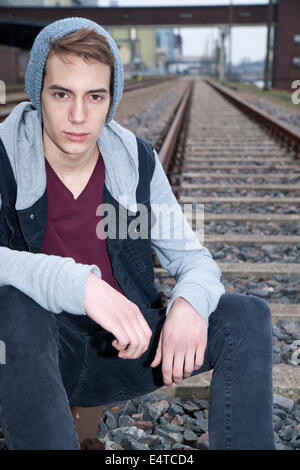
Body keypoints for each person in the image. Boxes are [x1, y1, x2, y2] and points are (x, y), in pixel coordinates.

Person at [0, 17, 275, 450]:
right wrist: (81, 285)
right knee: (13, 307)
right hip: (39, 354)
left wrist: (187, 304)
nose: (78, 116)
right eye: (61, 95)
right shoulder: (6, 157)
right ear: (38, 94)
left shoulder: (135, 161)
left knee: (246, 317)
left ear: (111, 100)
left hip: (128, 349)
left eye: (95, 97)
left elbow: (196, 260)